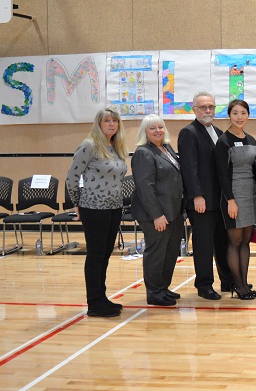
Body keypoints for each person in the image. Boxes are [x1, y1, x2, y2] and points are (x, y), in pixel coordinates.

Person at [66, 108, 128, 317]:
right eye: (107, 121)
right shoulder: (89, 146)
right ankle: (94, 303)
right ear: (99, 124)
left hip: (114, 207)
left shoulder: (116, 146)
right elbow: (72, 176)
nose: (111, 124)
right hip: (93, 207)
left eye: (114, 121)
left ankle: (101, 297)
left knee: (106, 254)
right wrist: (77, 203)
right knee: (95, 254)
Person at [177, 91, 231, 301]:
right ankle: (204, 285)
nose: (208, 110)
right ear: (195, 110)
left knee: (222, 243)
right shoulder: (188, 132)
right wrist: (197, 196)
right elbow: (189, 169)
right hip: (201, 202)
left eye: (211, 107)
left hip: (219, 201)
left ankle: (227, 281)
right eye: (203, 107)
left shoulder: (218, 131)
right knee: (203, 245)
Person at [131, 114, 184, 307]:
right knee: (156, 253)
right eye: (152, 128)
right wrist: (157, 215)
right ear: (145, 132)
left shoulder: (166, 148)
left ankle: (163, 288)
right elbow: (145, 187)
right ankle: (154, 293)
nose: (157, 131)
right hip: (156, 214)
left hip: (174, 212)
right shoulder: (143, 153)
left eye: (160, 127)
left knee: (170, 252)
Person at [215, 99, 256, 300]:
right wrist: (231, 200)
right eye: (235, 113)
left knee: (246, 242)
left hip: (249, 195)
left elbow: (254, 170)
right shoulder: (224, 141)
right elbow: (222, 174)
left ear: (248, 115)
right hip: (232, 196)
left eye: (243, 113)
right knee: (235, 241)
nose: (239, 117)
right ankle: (238, 285)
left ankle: (244, 282)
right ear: (229, 116)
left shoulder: (251, 139)